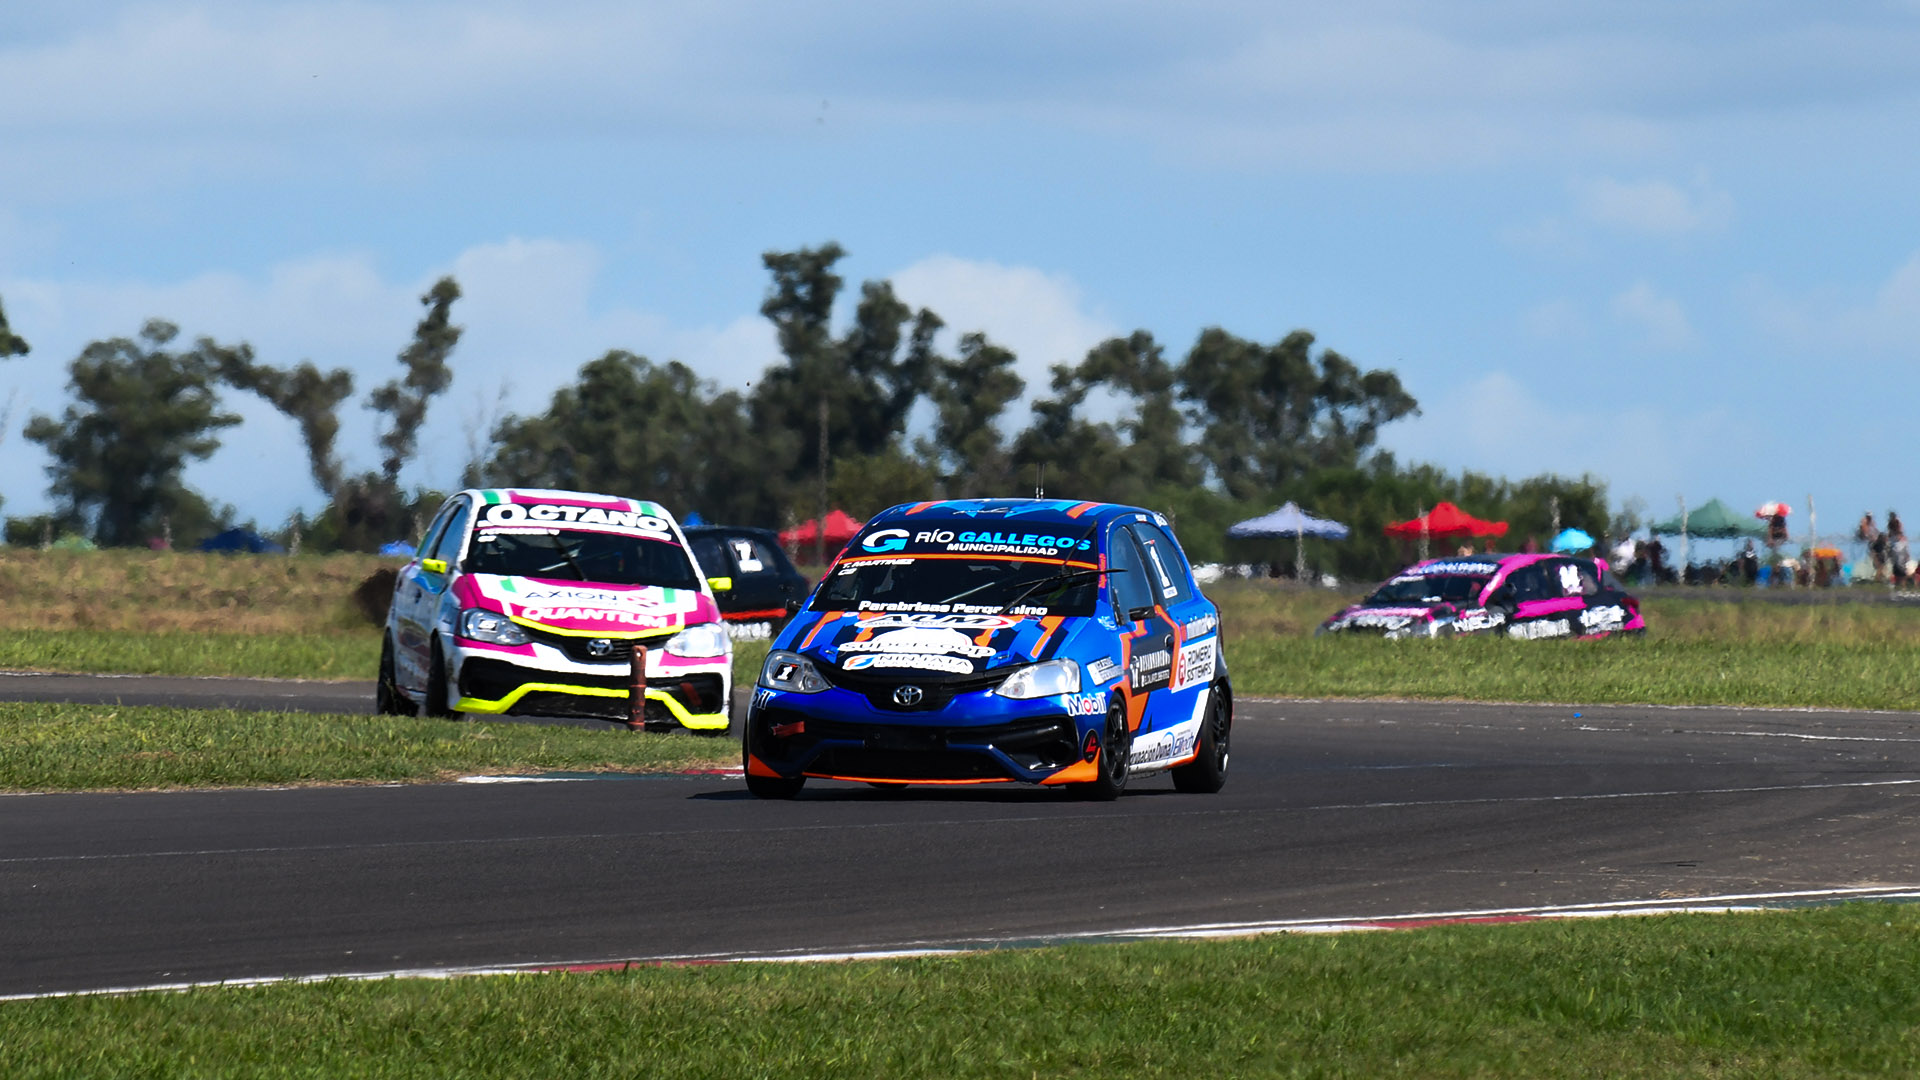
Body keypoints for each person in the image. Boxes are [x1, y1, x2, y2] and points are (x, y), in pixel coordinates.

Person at [1891, 512, 1910, 587]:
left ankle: (1900, 588)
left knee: (1901, 576)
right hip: (1898, 562)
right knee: (1901, 577)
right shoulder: (1895, 540)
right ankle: (1900, 588)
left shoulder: (1895, 539)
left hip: (1899, 561)